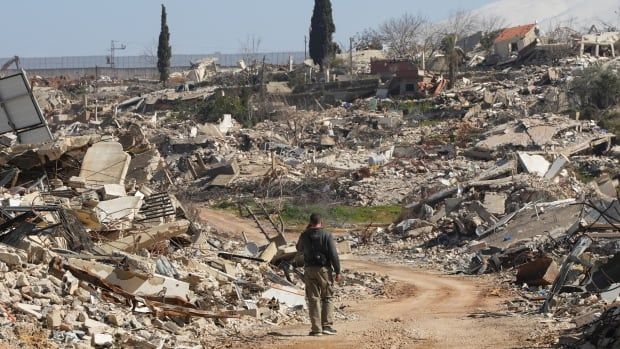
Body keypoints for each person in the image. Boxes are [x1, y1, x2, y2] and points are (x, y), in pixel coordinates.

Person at [296, 213, 342, 336]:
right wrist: (338, 271)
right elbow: (333, 254)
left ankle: (316, 330)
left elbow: (298, 249)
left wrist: (306, 232)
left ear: (310, 222)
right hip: (324, 270)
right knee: (327, 297)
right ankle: (327, 326)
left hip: (309, 269)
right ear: (321, 222)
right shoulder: (327, 235)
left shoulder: (304, 235)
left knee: (313, 299)